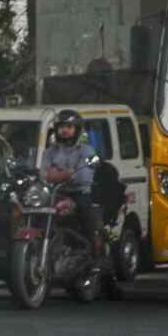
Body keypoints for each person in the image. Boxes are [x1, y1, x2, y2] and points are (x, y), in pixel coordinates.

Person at [39, 108, 103, 265]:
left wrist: (56, 174)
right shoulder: (49, 152)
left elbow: (82, 177)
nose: (65, 130)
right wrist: (66, 173)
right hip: (55, 194)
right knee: (37, 214)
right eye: (61, 127)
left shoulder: (87, 151)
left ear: (77, 130)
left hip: (79, 194)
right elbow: (42, 174)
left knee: (87, 218)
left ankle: (96, 256)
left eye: (69, 127)